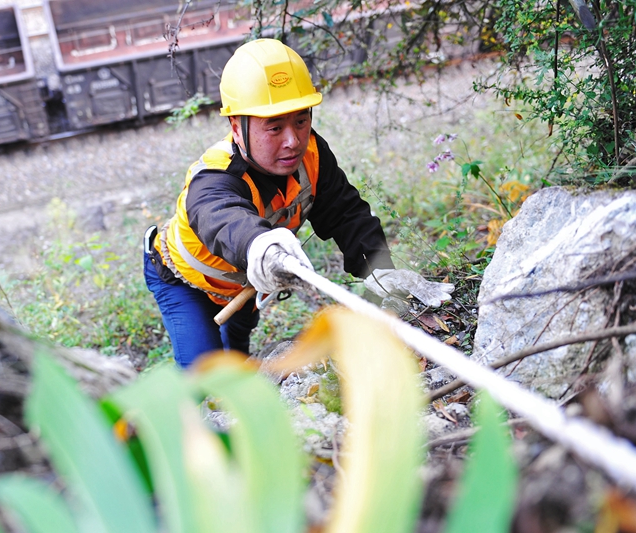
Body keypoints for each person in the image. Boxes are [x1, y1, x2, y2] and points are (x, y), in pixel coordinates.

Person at [143, 38, 454, 368]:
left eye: (301, 121)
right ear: (236, 127)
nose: (292, 141)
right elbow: (220, 216)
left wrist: (379, 271)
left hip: (244, 283)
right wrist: (259, 244)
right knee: (203, 375)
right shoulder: (215, 178)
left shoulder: (312, 156)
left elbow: (346, 213)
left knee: (235, 360)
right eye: (274, 127)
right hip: (183, 281)